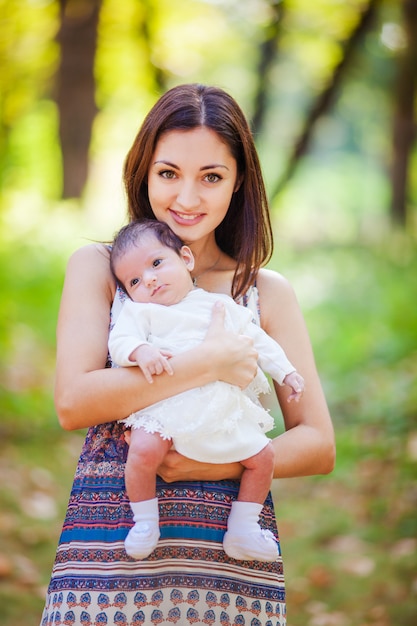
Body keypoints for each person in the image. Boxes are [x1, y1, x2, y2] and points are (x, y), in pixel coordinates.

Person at [40, 83, 335, 626]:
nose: (188, 199)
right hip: (106, 563)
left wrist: (212, 461)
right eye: (169, 173)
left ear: (238, 181)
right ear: (143, 173)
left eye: (212, 177)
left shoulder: (265, 292)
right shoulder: (104, 271)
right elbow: (73, 402)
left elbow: (318, 443)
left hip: (228, 566)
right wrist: (210, 362)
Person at [108, 219, 305, 562]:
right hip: (166, 404)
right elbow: (120, 340)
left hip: (217, 408)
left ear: (185, 258)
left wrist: (286, 371)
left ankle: (243, 527)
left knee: (263, 458)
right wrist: (141, 351)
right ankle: (144, 521)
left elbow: (258, 340)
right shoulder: (142, 312)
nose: (149, 279)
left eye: (156, 264)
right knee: (142, 448)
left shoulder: (220, 305)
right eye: (135, 280)